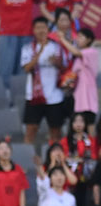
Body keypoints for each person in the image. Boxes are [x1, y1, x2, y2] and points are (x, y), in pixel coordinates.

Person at [23, 16, 67, 144]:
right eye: (38, 28)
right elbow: (27, 68)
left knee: (55, 131)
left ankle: (55, 160)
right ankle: (28, 160)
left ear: (48, 29)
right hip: (33, 96)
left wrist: (57, 63)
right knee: (31, 130)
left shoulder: (57, 47)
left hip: (54, 96)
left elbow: (64, 69)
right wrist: (40, 51)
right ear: (33, 30)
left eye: (43, 27)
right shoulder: (28, 48)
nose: (41, 30)